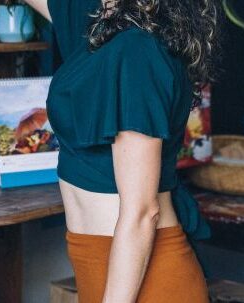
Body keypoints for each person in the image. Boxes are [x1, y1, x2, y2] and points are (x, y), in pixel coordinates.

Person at [19, 0, 223, 302]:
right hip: (104, 270)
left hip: (149, 281)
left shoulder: (137, 50)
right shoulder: (99, 22)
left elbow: (142, 211)